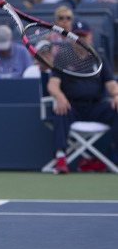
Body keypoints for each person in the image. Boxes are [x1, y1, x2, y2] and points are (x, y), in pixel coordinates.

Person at [47, 20, 118, 174]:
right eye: (76, 36)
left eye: (83, 36)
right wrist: (59, 95)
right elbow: (53, 84)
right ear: (71, 38)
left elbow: (111, 83)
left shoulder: (99, 58)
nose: (80, 40)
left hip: (95, 107)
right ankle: (60, 158)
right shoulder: (62, 58)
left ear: (90, 37)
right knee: (60, 110)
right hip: (72, 107)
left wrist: (116, 95)